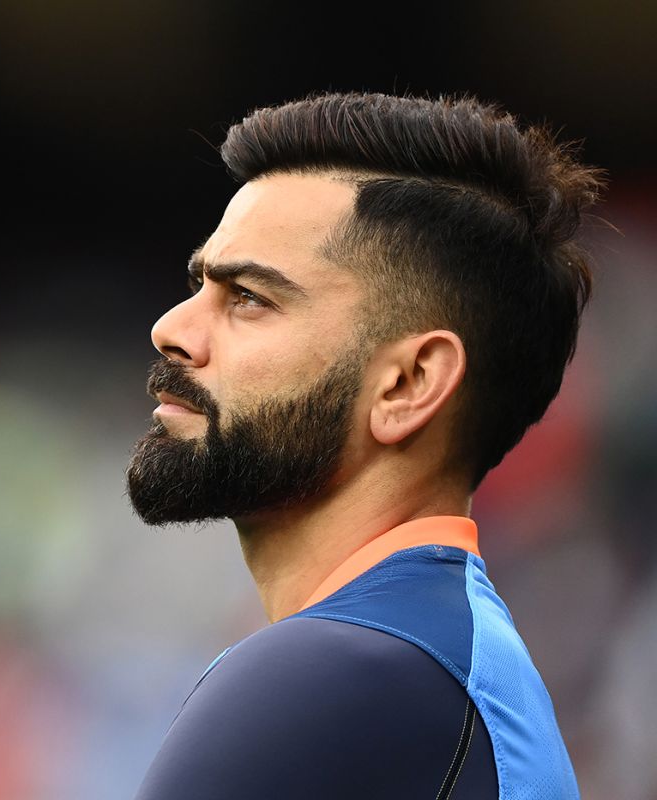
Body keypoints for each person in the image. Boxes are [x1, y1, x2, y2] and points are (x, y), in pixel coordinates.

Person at [126, 92, 603, 800]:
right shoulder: (437, 663)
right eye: (199, 284)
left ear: (408, 383)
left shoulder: (342, 673)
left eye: (250, 296)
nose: (171, 327)